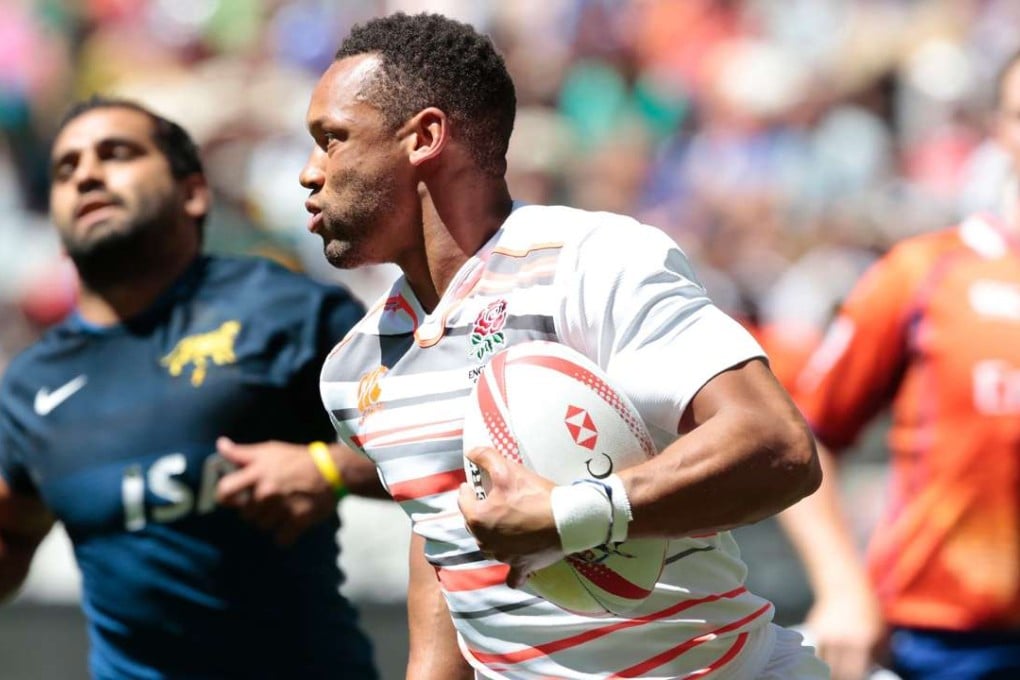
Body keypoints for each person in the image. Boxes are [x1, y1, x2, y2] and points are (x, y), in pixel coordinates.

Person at [300, 12, 825, 679]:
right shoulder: (356, 369)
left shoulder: (593, 262)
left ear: (425, 137)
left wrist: (566, 515)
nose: (308, 174)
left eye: (332, 139)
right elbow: (445, 547)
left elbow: (777, 445)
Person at [0, 97, 385, 679]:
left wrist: (329, 469)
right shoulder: (31, 387)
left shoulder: (284, 307)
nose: (86, 174)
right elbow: (12, 537)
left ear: (193, 192)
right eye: (65, 168)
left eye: (117, 153)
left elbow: (440, 447)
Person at [779, 50, 1020, 680]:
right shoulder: (926, 274)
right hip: (942, 642)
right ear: (999, 128)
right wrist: (842, 586)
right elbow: (799, 437)